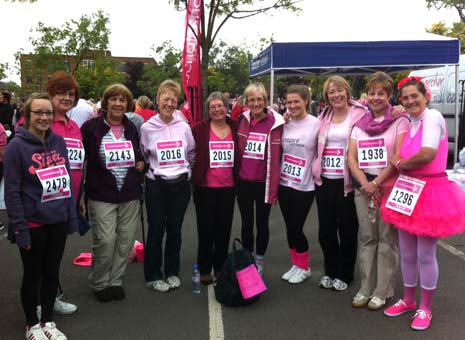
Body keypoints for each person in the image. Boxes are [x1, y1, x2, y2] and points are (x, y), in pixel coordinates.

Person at [381, 77, 465, 330]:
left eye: (413, 96)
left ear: (425, 96)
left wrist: (399, 163)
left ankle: (425, 307)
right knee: (407, 252)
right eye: (404, 98)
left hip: (430, 192)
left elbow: (427, 153)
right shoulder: (411, 121)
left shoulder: (433, 117)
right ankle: (408, 299)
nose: (409, 101)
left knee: (425, 254)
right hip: (408, 190)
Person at [4, 92, 78, 340]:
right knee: (33, 275)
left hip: (58, 220)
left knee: (51, 272)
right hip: (33, 222)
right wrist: (20, 229)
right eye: (39, 112)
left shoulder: (59, 142)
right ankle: (32, 324)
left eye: (48, 112)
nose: (44, 117)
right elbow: (12, 192)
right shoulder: (16, 147)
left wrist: (71, 215)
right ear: (27, 115)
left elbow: (66, 179)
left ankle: (48, 320)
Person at [347, 72, 409, 310]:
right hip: (364, 188)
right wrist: (366, 184)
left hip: (388, 187)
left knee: (386, 239)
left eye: (381, 93)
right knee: (367, 237)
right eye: (372, 93)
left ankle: (383, 290)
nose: (375, 97)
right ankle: (366, 287)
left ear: (389, 95)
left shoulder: (399, 121)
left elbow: (398, 157)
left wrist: (377, 184)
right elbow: (351, 157)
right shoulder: (359, 124)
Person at [81, 84, 144, 302]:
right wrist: (81, 195)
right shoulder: (90, 128)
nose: (118, 104)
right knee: (105, 240)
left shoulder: (132, 128)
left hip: (129, 193)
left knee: (125, 241)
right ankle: (100, 282)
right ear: (106, 102)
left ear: (128, 105)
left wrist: (141, 164)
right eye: (114, 99)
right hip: (101, 193)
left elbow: (140, 155)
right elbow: (83, 161)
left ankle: (116, 280)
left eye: (122, 100)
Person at [312, 75, 367, 291]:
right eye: (331, 92)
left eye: (339, 90)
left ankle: (345, 273)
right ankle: (330, 270)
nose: (336, 95)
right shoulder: (323, 115)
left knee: (347, 229)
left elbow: (379, 124)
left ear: (347, 91)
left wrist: (398, 112)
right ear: (327, 97)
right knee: (325, 230)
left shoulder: (361, 114)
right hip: (324, 180)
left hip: (348, 182)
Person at [140, 80, 195, 292]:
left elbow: (191, 152)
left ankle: (172, 271)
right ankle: (153, 275)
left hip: (180, 186)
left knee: (175, 231)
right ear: (157, 99)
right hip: (157, 186)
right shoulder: (147, 127)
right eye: (166, 98)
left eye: (174, 100)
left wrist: (186, 172)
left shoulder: (183, 126)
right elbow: (144, 153)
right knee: (155, 231)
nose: (170, 103)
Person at [44, 71, 83, 316]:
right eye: (61, 93)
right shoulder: (40, 121)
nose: (67, 98)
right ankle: (39, 302)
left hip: (69, 199)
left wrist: (81, 199)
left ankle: (52, 296)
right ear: (51, 94)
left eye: (71, 94)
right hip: (44, 201)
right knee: (40, 255)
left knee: (55, 253)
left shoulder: (74, 126)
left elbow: (80, 162)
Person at [236, 82, 285, 275]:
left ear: (265, 101)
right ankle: (248, 258)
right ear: (246, 102)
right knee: (246, 222)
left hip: (264, 182)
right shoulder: (242, 119)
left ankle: (260, 260)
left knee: (262, 223)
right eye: (251, 100)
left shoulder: (278, 123)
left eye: (259, 99)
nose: (255, 103)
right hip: (244, 182)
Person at [191, 91, 238, 284]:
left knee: (224, 229)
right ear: (208, 110)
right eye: (213, 107)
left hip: (228, 187)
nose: (217, 109)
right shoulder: (199, 129)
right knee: (205, 229)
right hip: (205, 188)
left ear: (227, 108)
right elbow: (191, 152)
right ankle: (204, 268)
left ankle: (220, 267)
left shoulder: (235, 127)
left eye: (221, 106)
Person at [279, 85, 320, 284]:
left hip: (304, 184)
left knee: (296, 225)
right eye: (289, 102)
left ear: (306, 101)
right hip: (285, 181)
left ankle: (305, 267)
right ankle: (295, 264)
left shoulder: (316, 124)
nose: (292, 105)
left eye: (296, 101)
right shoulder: (283, 123)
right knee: (289, 226)